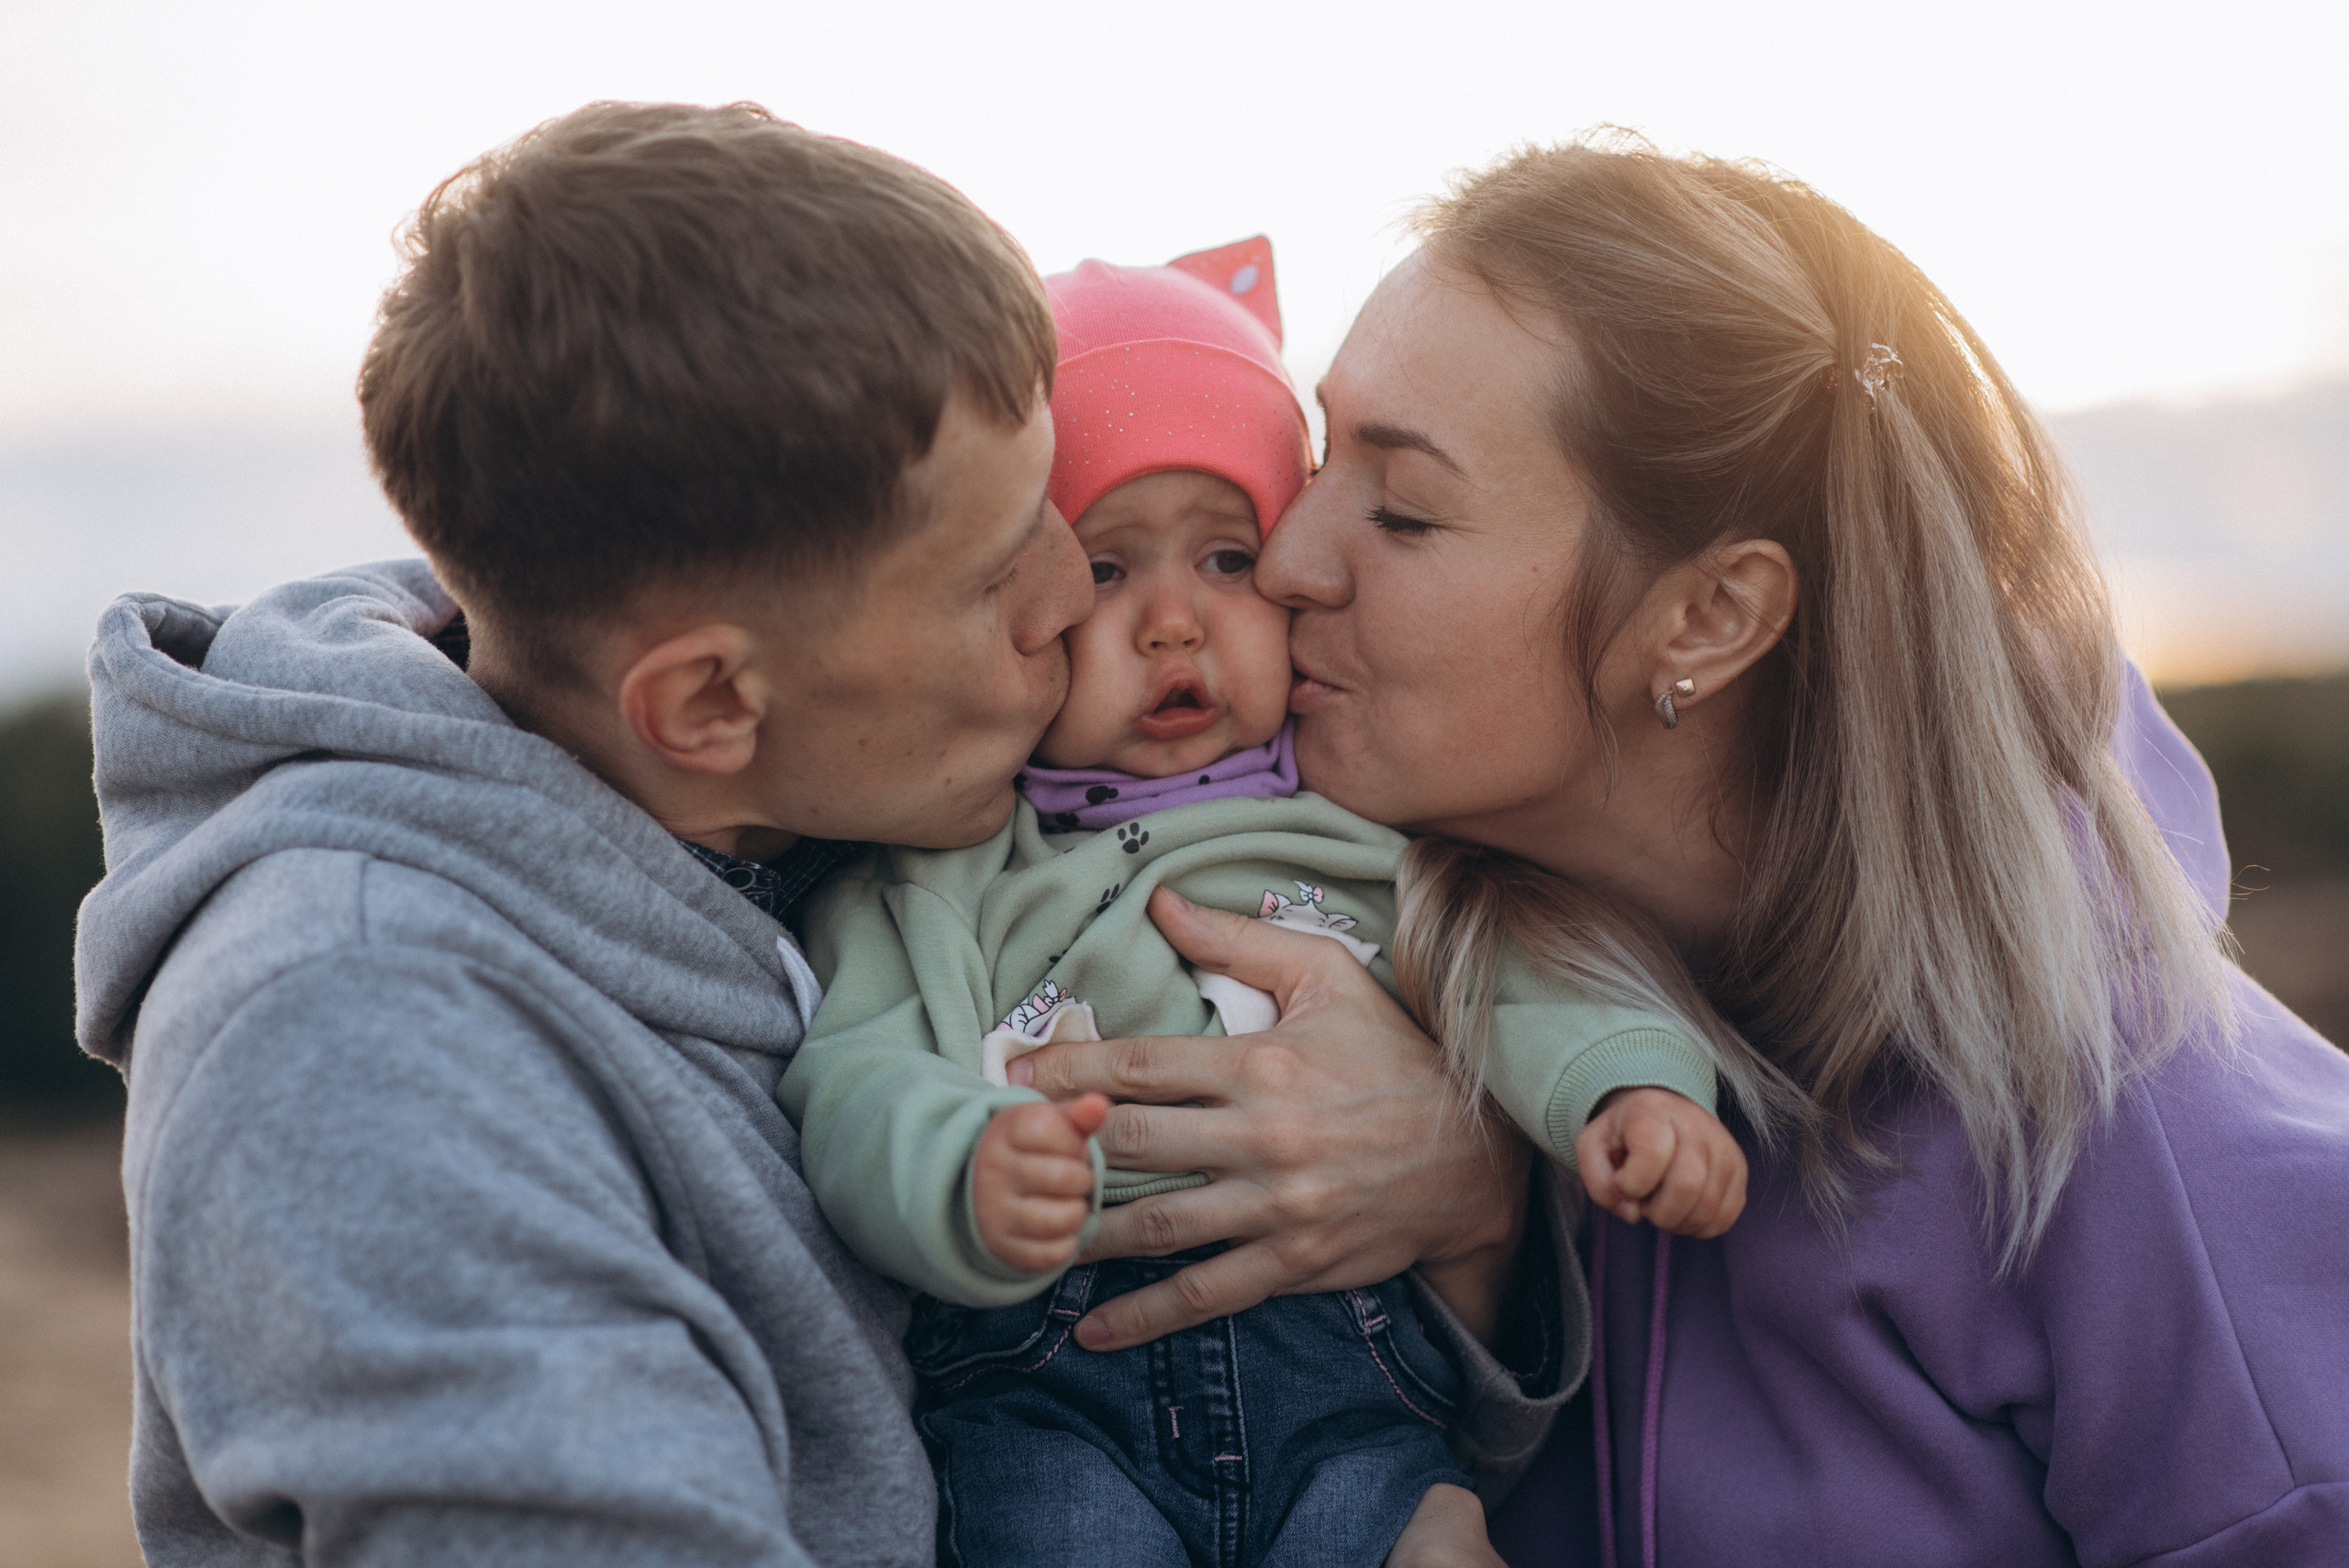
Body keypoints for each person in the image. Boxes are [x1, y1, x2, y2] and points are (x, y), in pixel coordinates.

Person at [72, 101, 1579, 1564]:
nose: (1075, 603)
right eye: (1003, 573)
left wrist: (1464, 1189)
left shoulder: (783, 804)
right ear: (714, 700)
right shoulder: (364, 1047)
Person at [1014, 139, 2349, 1565]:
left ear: (1709, 616)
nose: (1285, 561)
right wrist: (1484, 1224)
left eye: (1401, 510)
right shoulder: (1373, 951)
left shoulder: (2170, 1177)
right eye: (1324, 459)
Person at [781, 240, 1746, 1568]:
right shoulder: (945, 864)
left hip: (1351, 1396)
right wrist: (959, 1167)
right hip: (1056, 1398)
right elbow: (854, 1076)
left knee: (1437, 1539)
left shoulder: (1367, 828)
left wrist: (1635, 1088)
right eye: (1109, 569)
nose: (1173, 622)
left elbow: (1519, 969)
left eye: (1227, 556)